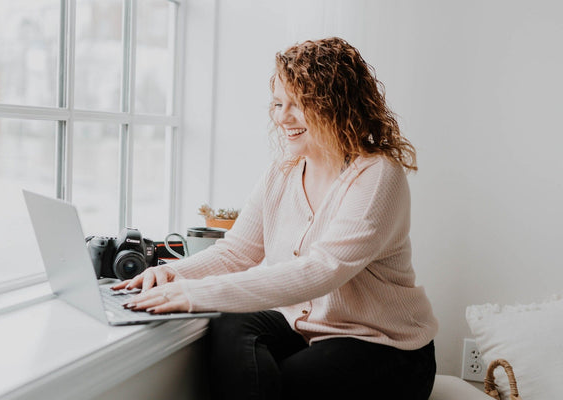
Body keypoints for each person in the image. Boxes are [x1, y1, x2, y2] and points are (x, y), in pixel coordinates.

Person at [113, 37, 439, 400]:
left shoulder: (377, 175)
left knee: (289, 381)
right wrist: (175, 275)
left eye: (299, 105)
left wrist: (194, 293)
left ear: (336, 106)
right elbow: (236, 252)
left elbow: (320, 271)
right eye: (278, 103)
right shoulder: (282, 172)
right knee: (229, 325)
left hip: (385, 344)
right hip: (306, 330)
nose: (282, 117)